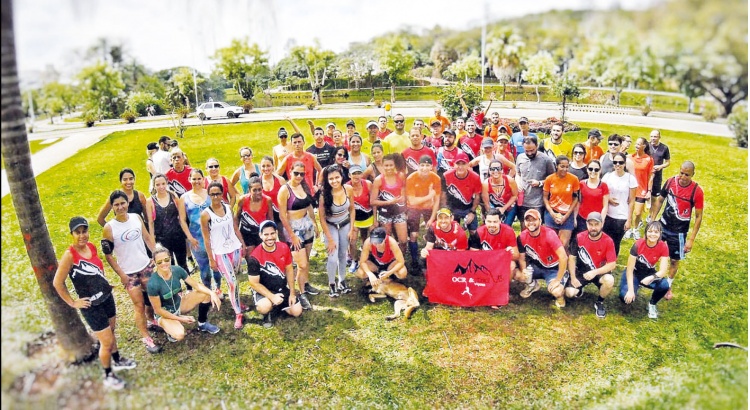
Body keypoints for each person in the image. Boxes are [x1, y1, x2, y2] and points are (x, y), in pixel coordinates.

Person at [53, 216, 136, 390]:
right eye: (78, 232)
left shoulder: (91, 247)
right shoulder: (69, 255)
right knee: (105, 342)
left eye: (85, 231)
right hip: (92, 306)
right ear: (72, 234)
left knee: (112, 332)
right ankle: (108, 375)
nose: (82, 235)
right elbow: (57, 282)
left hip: (106, 297)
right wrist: (73, 302)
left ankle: (118, 360)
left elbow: (96, 271)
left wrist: (105, 284)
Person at [101, 190, 160, 354]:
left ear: (127, 203)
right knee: (139, 305)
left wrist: (156, 255)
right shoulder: (109, 228)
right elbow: (108, 255)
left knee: (153, 298)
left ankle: (153, 321)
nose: (120, 207)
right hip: (129, 274)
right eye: (116, 205)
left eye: (122, 203)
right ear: (112, 207)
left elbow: (147, 238)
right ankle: (146, 338)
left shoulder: (136, 218)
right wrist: (121, 274)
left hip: (145, 266)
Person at [649, 161, 704, 300]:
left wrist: (691, 240)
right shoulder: (670, 182)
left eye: (687, 174)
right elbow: (660, 200)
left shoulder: (696, 191)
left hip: (679, 232)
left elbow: (698, 216)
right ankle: (649, 278)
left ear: (692, 175)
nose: (683, 177)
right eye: (681, 173)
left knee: (674, 260)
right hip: (662, 226)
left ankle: (667, 286)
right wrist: (653, 220)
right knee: (652, 253)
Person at [146, 244, 222, 341]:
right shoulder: (153, 283)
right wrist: (181, 319)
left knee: (205, 293)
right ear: (154, 262)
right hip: (164, 314)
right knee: (179, 335)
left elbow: (196, 285)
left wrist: (212, 293)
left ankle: (202, 323)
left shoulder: (177, 270)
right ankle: (169, 329)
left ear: (170, 258)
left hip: (179, 305)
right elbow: (158, 310)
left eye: (166, 260)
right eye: (160, 262)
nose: (164, 264)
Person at [201, 181, 246, 329]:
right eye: (212, 194)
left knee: (237, 278)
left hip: (235, 249)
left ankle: (237, 301)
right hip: (220, 253)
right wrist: (211, 258)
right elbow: (206, 239)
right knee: (232, 283)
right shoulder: (206, 215)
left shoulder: (227, 207)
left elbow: (234, 227)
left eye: (218, 193)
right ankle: (238, 313)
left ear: (222, 194)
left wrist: (242, 244)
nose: (215, 197)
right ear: (209, 195)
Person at [247, 221, 303, 328]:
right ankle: (269, 311)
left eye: (272, 233)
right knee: (263, 307)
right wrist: (272, 297)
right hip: (263, 290)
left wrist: (292, 293)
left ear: (276, 233)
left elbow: (289, 270)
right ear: (260, 235)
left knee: (297, 312)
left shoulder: (284, 247)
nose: (269, 237)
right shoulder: (254, 257)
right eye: (266, 234)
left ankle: (277, 306)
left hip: (280, 287)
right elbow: (254, 283)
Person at [277, 161, 318, 309]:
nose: (299, 176)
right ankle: (300, 294)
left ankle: (306, 284)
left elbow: (309, 206)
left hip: (306, 225)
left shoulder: (304, 185)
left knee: (306, 260)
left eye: (302, 173)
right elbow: (282, 216)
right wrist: (292, 235)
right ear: (290, 171)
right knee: (301, 264)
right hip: (293, 228)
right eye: (296, 173)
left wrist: (314, 223)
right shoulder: (285, 190)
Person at [178, 169, 222, 297]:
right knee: (204, 269)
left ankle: (218, 288)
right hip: (197, 239)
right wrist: (190, 238)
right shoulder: (184, 198)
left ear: (203, 179)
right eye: (194, 179)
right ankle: (208, 291)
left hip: (214, 237)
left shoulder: (210, 194)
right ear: (189, 180)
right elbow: (182, 220)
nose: (196, 181)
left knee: (216, 265)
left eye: (199, 179)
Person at [565, 212, 617, 318]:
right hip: (582, 272)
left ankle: (599, 302)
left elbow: (612, 264)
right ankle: (579, 290)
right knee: (569, 293)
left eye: (596, 224)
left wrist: (595, 272)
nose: (593, 228)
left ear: (602, 224)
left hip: (599, 272)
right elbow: (572, 258)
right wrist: (574, 277)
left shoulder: (608, 241)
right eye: (591, 224)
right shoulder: (579, 237)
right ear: (587, 224)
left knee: (609, 280)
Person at [516, 209, 569, 308]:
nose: (531, 223)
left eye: (534, 220)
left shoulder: (549, 234)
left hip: (553, 268)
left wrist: (558, 279)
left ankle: (562, 292)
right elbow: (522, 258)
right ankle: (532, 285)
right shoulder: (521, 236)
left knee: (557, 292)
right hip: (536, 266)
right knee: (518, 274)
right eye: (528, 220)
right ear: (524, 222)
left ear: (540, 221)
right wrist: (523, 270)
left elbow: (563, 257)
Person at [620, 221, 671, 319]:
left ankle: (652, 304)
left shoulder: (663, 246)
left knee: (664, 285)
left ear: (660, 233)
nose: (652, 234)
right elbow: (629, 270)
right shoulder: (638, 244)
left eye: (656, 232)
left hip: (648, 273)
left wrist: (651, 277)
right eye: (650, 231)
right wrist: (630, 290)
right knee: (624, 297)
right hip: (634, 273)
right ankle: (634, 287)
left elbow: (663, 271)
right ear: (646, 232)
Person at [319, 165, 356, 297]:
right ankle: (331, 283)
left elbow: (352, 209)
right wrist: (329, 239)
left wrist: (352, 229)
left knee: (342, 254)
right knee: (332, 257)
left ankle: (342, 280)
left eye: (337, 177)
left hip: (345, 224)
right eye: (331, 179)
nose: (334, 181)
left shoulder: (349, 189)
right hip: (331, 226)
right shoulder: (324, 195)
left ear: (342, 177)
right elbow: (322, 218)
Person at [147, 174, 189, 277]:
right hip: (163, 239)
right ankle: (176, 289)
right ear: (154, 186)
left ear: (167, 183)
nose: (161, 187)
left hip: (178, 236)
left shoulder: (174, 196)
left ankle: (189, 287)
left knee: (182, 263)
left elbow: (181, 217)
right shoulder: (150, 201)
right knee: (169, 265)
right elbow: (150, 222)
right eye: (158, 184)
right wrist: (152, 240)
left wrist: (186, 234)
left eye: (163, 184)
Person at [405, 156, 441, 272]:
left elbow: (437, 201)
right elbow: (412, 201)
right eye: (422, 165)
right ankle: (415, 260)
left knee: (432, 230)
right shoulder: (411, 178)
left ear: (431, 167)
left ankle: (430, 258)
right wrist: (429, 196)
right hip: (413, 207)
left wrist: (431, 218)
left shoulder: (436, 178)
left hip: (428, 207)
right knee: (414, 235)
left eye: (427, 166)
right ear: (418, 166)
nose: (424, 168)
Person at [602, 152, 638, 256]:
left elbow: (632, 201)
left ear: (625, 164)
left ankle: (611, 263)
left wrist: (629, 219)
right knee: (604, 240)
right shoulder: (607, 177)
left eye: (620, 162)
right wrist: (608, 198)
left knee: (615, 242)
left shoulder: (630, 179)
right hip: (607, 214)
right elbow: (601, 193)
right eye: (615, 162)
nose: (618, 164)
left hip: (621, 216)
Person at [371, 153, 408, 252]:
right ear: (382, 166)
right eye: (386, 165)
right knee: (387, 239)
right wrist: (390, 202)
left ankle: (401, 259)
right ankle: (390, 259)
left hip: (399, 212)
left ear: (395, 165)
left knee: (403, 240)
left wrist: (403, 198)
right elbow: (372, 201)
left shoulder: (400, 176)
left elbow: (403, 192)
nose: (389, 168)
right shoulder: (378, 180)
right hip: (385, 213)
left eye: (391, 165)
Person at [515, 135, 556, 223]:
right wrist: (518, 182)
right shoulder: (520, 157)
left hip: (538, 202)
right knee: (524, 227)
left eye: (532, 150)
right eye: (527, 151)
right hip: (523, 200)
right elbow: (518, 173)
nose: (529, 153)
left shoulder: (546, 160)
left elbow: (553, 179)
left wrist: (540, 183)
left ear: (537, 146)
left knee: (536, 227)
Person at [542, 155, 580, 248]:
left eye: (567, 167)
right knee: (550, 244)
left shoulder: (574, 179)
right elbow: (545, 198)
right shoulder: (549, 179)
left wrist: (566, 216)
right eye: (562, 166)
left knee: (563, 245)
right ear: (556, 166)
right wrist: (552, 213)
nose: (565, 169)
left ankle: (564, 262)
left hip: (567, 215)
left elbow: (575, 198)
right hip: (551, 214)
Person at [441, 151, 482, 235]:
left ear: (468, 165)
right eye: (458, 164)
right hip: (451, 207)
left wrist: (472, 212)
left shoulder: (475, 177)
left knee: (474, 233)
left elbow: (477, 196)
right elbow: (443, 194)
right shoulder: (446, 175)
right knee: (450, 231)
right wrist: (446, 210)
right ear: (453, 165)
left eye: (463, 164)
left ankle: (473, 247)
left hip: (468, 208)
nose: (460, 167)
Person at [235, 176, 273, 264]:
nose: (258, 192)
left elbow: (270, 219)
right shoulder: (243, 200)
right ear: (249, 190)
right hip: (246, 234)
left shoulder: (267, 200)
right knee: (251, 261)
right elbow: (237, 218)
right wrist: (239, 238)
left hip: (261, 233)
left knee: (263, 260)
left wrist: (270, 237)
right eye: (254, 190)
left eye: (260, 189)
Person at [572, 159, 609, 246]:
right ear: (587, 169)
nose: (593, 171)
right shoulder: (581, 184)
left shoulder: (603, 186)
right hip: (582, 218)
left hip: (596, 220)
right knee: (580, 241)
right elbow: (578, 202)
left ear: (600, 170)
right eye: (591, 169)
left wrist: (601, 221)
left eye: (596, 169)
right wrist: (574, 218)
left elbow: (605, 206)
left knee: (594, 242)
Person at [346, 164, 374, 274]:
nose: (357, 176)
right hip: (355, 219)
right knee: (352, 240)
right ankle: (354, 260)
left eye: (359, 173)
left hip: (368, 216)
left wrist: (375, 220)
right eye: (354, 173)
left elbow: (373, 203)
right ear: (349, 175)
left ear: (362, 174)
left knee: (370, 239)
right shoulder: (346, 187)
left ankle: (371, 258)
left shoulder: (368, 184)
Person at [626, 137, 654, 240]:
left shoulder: (648, 159)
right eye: (636, 144)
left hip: (641, 190)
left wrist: (649, 191)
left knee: (637, 213)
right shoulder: (630, 158)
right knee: (629, 210)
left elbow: (651, 176)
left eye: (639, 144)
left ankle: (635, 228)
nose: (637, 146)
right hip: (630, 189)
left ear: (644, 146)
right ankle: (628, 229)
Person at [482, 159, 518, 226]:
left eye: (498, 168)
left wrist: (504, 208)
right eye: (493, 169)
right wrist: (492, 215)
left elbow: (515, 196)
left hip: (509, 206)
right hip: (494, 206)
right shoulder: (486, 184)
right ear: (489, 171)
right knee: (493, 225)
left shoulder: (510, 180)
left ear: (502, 170)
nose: (495, 171)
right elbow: (486, 204)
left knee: (506, 226)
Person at [259, 155, 287, 242]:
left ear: (273, 166)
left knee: (284, 237)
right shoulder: (257, 182)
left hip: (279, 214)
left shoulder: (280, 180)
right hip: (264, 215)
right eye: (263, 166)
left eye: (268, 166)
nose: (266, 168)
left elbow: (287, 197)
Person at [645, 129, 671, 214]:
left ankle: (650, 215)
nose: (653, 138)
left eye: (655, 136)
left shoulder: (664, 148)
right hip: (646, 175)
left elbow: (668, 162)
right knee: (642, 197)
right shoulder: (646, 146)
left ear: (659, 137)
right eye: (651, 136)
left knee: (654, 197)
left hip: (657, 176)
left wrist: (660, 166)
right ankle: (640, 216)